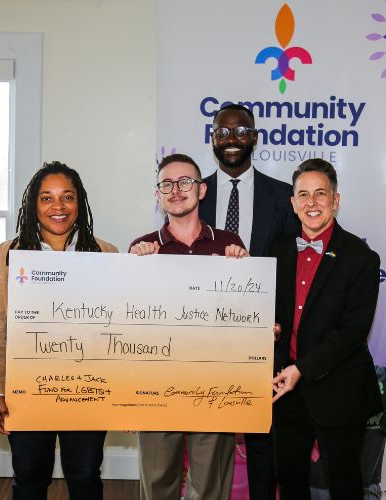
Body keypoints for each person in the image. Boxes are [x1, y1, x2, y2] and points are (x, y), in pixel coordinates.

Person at [0, 161, 117, 500]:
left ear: (79, 203)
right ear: (33, 205)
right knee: (29, 476)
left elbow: (120, 332)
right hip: (26, 391)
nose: (58, 207)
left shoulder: (107, 254)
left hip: (87, 390)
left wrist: (123, 396)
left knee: (85, 476)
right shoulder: (8, 255)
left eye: (67, 197)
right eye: (47, 198)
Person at [130, 153, 248, 500]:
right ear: (158, 194)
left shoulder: (231, 246)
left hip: (214, 384)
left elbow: (244, 318)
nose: (176, 190)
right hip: (156, 385)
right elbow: (128, 330)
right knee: (157, 484)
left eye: (185, 182)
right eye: (167, 184)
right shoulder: (141, 251)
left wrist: (240, 270)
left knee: (210, 486)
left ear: (202, 190)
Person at [198, 102, 298, 499]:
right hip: (204, 336)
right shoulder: (195, 195)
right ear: (213, 139)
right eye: (223, 132)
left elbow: (292, 271)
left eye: (241, 132)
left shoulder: (284, 196)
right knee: (207, 437)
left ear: (255, 138)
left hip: (265, 337)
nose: (232, 140)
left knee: (262, 439)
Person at [270, 159, 382, 499]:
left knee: (345, 484)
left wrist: (301, 369)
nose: (311, 203)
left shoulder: (362, 258)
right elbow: (271, 311)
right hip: (286, 389)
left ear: (335, 200)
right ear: (293, 203)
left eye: (321, 194)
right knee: (290, 482)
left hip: (340, 390)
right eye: (303, 194)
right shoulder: (276, 250)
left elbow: (352, 331)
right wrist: (268, 326)